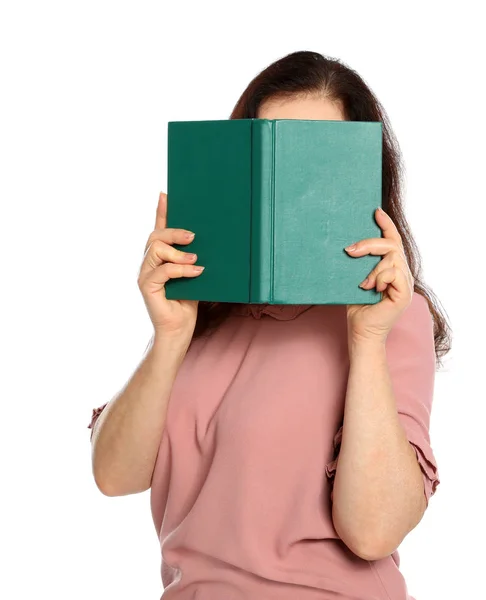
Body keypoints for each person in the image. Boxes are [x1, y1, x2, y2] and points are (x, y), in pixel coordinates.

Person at [88, 50, 452, 600]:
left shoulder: (391, 319)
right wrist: (169, 338)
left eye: (317, 163)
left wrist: (369, 340)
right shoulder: (203, 314)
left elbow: (374, 530)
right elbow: (114, 477)